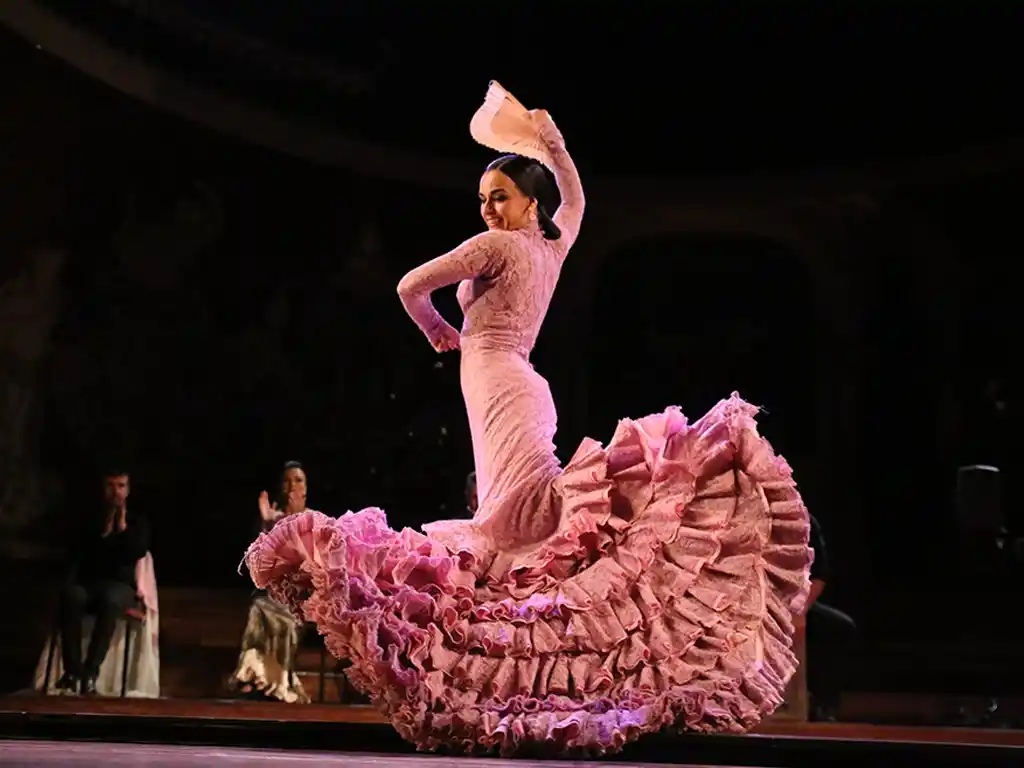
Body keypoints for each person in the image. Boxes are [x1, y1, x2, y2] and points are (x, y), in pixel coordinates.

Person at [244, 104, 812, 754]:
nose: (487, 208)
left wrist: (438, 330)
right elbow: (576, 199)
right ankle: (551, 673)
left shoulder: (497, 247)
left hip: (498, 385)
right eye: (483, 198)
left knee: (514, 523)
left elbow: (408, 286)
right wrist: (553, 145)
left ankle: (535, 677)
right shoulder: (552, 244)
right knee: (521, 522)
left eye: (500, 196)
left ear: (527, 203)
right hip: (521, 384)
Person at [56, 468, 150, 695]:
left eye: (121, 486)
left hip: (120, 585)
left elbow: (137, 551)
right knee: (71, 596)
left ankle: (91, 671)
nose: (115, 492)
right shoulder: (89, 516)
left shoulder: (138, 520)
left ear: (128, 490)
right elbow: (79, 551)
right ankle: (72, 671)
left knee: (110, 600)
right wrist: (105, 528)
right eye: (110, 486)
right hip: (89, 581)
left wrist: (123, 525)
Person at [230, 461, 313, 703]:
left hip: (300, 597)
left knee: (284, 619)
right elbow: (258, 564)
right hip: (270, 594)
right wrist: (267, 524)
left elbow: (307, 562)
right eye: (287, 480)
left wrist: (294, 523)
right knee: (258, 610)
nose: (292, 486)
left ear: (306, 487)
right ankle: (254, 676)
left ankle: (275, 682)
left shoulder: (313, 520)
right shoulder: (271, 519)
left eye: (298, 480)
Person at [799, 515, 856, 721]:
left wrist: (801, 609)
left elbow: (819, 575)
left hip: (791, 604)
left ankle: (823, 705)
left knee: (838, 627)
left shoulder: (804, 519)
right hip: (744, 604)